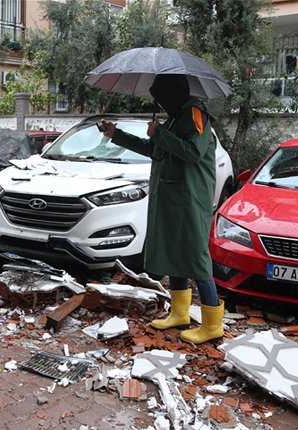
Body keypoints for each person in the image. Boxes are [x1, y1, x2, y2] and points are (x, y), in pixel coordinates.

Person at [99, 74, 224, 344]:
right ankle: (179, 313)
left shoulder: (195, 114)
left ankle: (213, 324)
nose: (159, 102)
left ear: (174, 93)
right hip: (172, 197)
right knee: (175, 252)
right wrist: (116, 135)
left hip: (190, 199)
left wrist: (161, 133)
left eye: (160, 96)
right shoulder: (177, 116)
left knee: (196, 257)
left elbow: (193, 152)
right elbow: (155, 149)